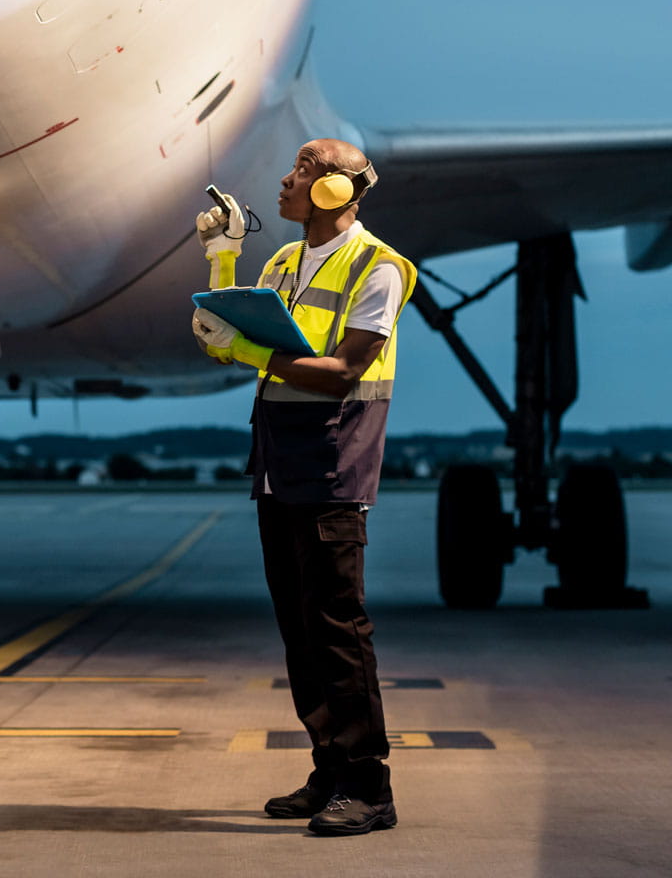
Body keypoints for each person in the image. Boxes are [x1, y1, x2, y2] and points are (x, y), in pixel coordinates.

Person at [192, 138, 417, 836]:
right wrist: (221, 259)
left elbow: (340, 371)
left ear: (333, 192)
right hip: (278, 464)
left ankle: (369, 785)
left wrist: (252, 350)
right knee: (299, 629)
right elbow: (225, 336)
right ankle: (329, 769)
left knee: (338, 629)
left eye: (301, 171)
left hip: (332, 466)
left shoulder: (378, 268)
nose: (286, 181)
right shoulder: (284, 260)